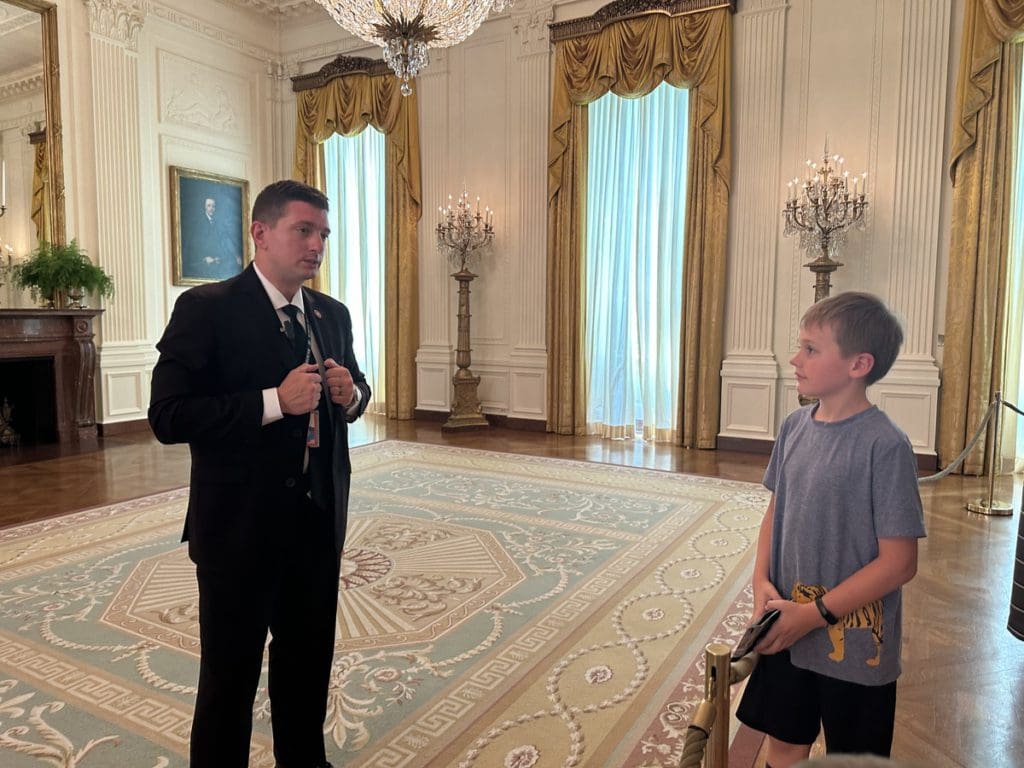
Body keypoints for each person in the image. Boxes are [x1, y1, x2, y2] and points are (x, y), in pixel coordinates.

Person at [149, 179, 370, 767]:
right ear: (260, 232)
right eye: (304, 230)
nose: (317, 244)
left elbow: (355, 392)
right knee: (229, 679)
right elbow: (168, 417)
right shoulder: (207, 310)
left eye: (323, 233)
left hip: (317, 525)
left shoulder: (331, 313)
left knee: (306, 667)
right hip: (239, 533)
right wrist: (272, 401)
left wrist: (350, 396)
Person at [736, 292, 926, 768]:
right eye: (798, 347)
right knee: (783, 740)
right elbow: (775, 512)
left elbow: (899, 562)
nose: (795, 360)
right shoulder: (794, 426)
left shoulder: (886, 445)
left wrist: (815, 613)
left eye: (811, 349)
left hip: (855, 647)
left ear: (859, 363)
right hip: (786, 628)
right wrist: (761, 582)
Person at [183, 196, 243, 280]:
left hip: (217, 261)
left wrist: (236, 256)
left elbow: (224, 240)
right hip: (202, 262)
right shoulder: (198, 223)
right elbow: (194, 245)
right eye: (209, 206)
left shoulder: (218, 223)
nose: (211, 208)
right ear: (204, 207)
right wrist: (203, 258)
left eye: (213, 206)